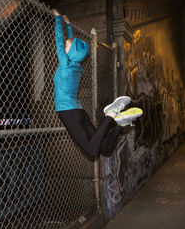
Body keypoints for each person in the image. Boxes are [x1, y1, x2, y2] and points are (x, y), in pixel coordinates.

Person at [52, 9, 143, 157]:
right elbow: (71, 45)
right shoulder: (76, 67)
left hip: (68, 112)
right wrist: (68, 25)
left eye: (67, 46)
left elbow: (59, 42)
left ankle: (111, 115)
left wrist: (57, 19)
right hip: (79, 112)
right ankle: (119, 125)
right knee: (105, 148)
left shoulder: (65, 65)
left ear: (70, 52)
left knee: (92, 151)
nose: (64, 45)